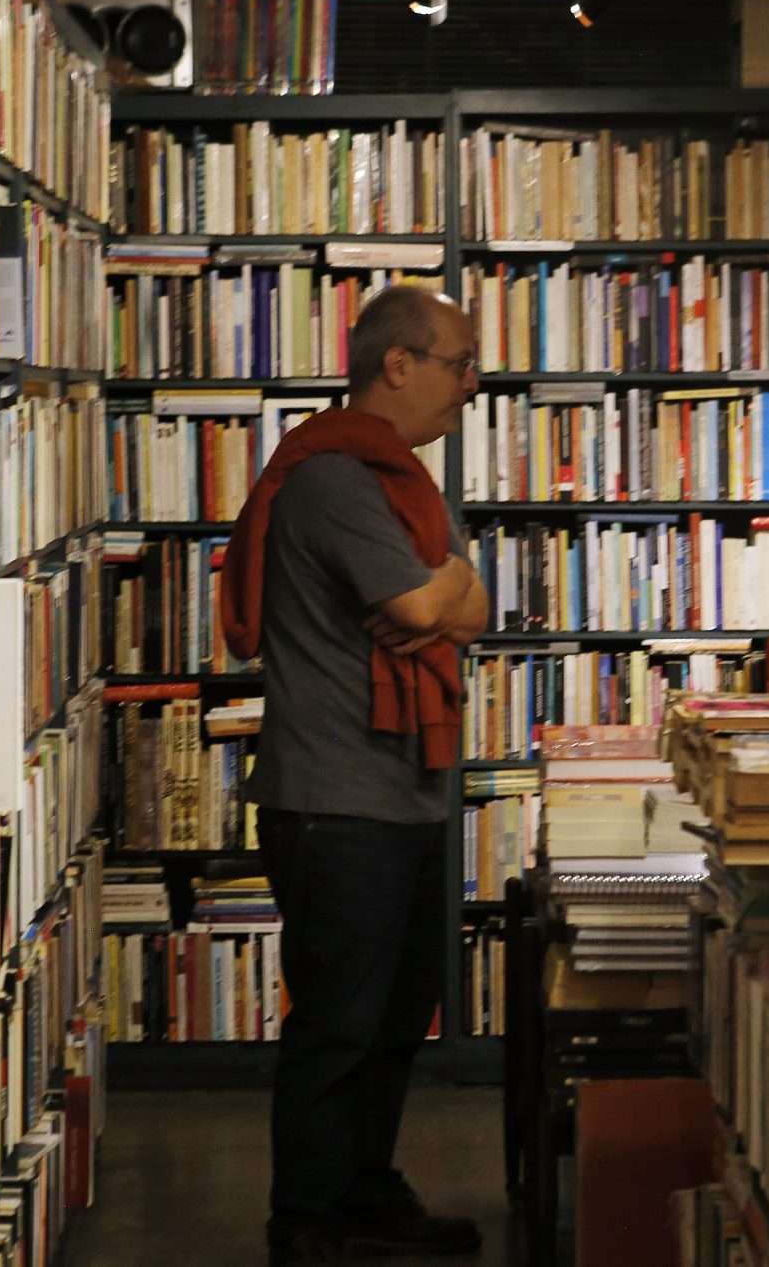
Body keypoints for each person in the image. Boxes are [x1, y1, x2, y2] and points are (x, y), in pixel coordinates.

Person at [221, 285, 490, 1265]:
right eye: (459, 362)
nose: (472, 383)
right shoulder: (338, 476)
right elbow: (427, 610)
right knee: (340, 1023)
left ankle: (367, 1194)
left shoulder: (402, 485)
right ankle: (307, 1220)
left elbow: (467, 603)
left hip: (401, 793)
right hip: (337, 802)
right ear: (398, 364)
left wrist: (444, 592)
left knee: (394, 1015)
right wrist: (440, 595)